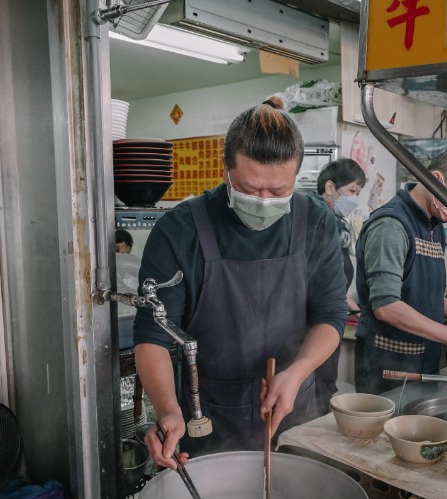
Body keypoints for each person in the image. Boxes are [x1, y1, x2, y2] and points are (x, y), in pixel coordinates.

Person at [136, 97, 346, 467]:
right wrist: (168, 409)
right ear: (225, 171)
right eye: (250, 189)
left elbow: (330, 315)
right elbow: (153, 335)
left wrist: (296, 373)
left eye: (279, 192)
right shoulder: (180, 230)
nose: (264, 201)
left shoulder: (316, 221)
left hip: (292, 410)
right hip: (207, 418)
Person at [354, 144, 447, 395]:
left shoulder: (433, 224)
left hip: (424, 360)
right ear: (436, 179)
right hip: (388, 367)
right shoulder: (391, 226)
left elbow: (426, 295)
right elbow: (386, 306)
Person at [311, 158, 366, 414]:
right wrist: (348, 305)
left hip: (333, 315)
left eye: (358, 193)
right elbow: (319, 281)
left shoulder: (337, 225)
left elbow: (336, 281)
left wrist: (353, 307)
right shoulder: (317, 222)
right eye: (352, 191)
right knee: (319, 386)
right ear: (330, 187)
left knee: (325, 384)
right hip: (314, 323)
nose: (355, 199)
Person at [115, 229, 141, 349]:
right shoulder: (134, 262)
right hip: (131, 320)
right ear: (124, 245)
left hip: (111, 320)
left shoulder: (103, 262)